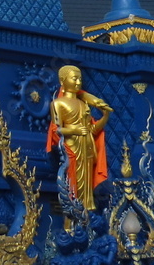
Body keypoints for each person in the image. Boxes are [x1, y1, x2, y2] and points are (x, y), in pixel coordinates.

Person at [46, 65, 112, 215]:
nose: (78, 82)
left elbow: (93, 130)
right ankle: (71, 220)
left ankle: (88, 219)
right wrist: (74, 130)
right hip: (71, 150)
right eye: (74, 78)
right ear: (63, 80)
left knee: (87, 192)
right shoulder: (58, 103)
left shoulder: (84, 104)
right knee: (72, 187)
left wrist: (105, 116)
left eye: (80, 79)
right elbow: (56, 130)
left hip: (87, 150)